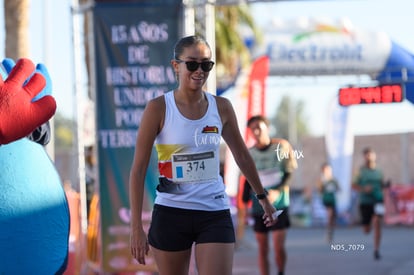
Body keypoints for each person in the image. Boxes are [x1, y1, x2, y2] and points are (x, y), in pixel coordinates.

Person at [129, 35, 277, 275]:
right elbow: (138, 170)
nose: (200, 70)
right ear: (175, 66)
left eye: (206, 64)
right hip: (172, 212)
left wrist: (262, 196)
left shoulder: (222, 107)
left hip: (214, 211)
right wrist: (136, 227)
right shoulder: (158, 108)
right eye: (192, 64)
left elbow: (241, 154)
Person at [242, 115, 297, 275]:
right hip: (258, 206)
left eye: (259, 127)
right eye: (253, 129)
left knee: (279, 246)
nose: (256, 131)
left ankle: (281, 270)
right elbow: (247, 181)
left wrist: (277, 191)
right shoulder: (249, 153)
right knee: (262, 248)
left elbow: (289, 174)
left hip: (279, 204)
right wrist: (245, 204)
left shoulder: (282, 146)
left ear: (267, 127)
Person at [352, 147, 385, 260]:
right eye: (366, 155)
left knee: (377, 223)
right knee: (366, 230)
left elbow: (382, 185)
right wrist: (364, 188)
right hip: (365, 202)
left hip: (378, 200)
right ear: (364, 157)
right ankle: (368, 223)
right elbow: (353, 185)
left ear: (374, 156)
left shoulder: (379, 171)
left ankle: (376, 249)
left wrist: (386, 187)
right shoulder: (360, 171)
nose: (369, 157)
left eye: (370, 154)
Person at [317, 162, 340, 242]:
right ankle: (328, 231)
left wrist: (335, 188)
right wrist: (323, 186)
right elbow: (319, 190)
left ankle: (330, 231)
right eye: (326, 170)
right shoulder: (322, 179)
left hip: (332, 199)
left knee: (333, 217)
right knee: (330, 215)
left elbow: (338, 188)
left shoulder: (333, 180)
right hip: (326, 199)